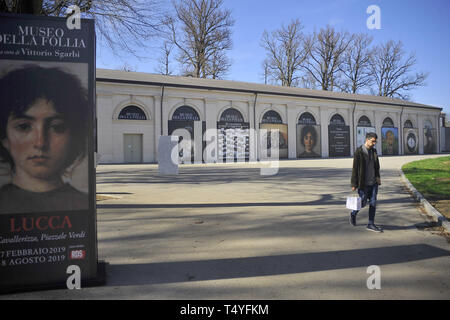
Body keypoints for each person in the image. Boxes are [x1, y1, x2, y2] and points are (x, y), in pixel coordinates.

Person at [0, 65, 89, 214]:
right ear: (4, 138)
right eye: (23, 126)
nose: (40, 143)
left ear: (73, 136)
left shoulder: (83, 205)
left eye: (57, 127)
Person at [350, 132, 383, 232]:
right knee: (362, 202)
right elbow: (355, 168)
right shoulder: (359, 152)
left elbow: (377, 166)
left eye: (375, 142)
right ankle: (353, 213)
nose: (374, 143)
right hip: (363, 183)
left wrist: (378, 177)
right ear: (367, 140)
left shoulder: (374, 151)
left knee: (373, 203)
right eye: (373, 141)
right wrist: (354, 184)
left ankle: (371, 223)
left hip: (373, 183)